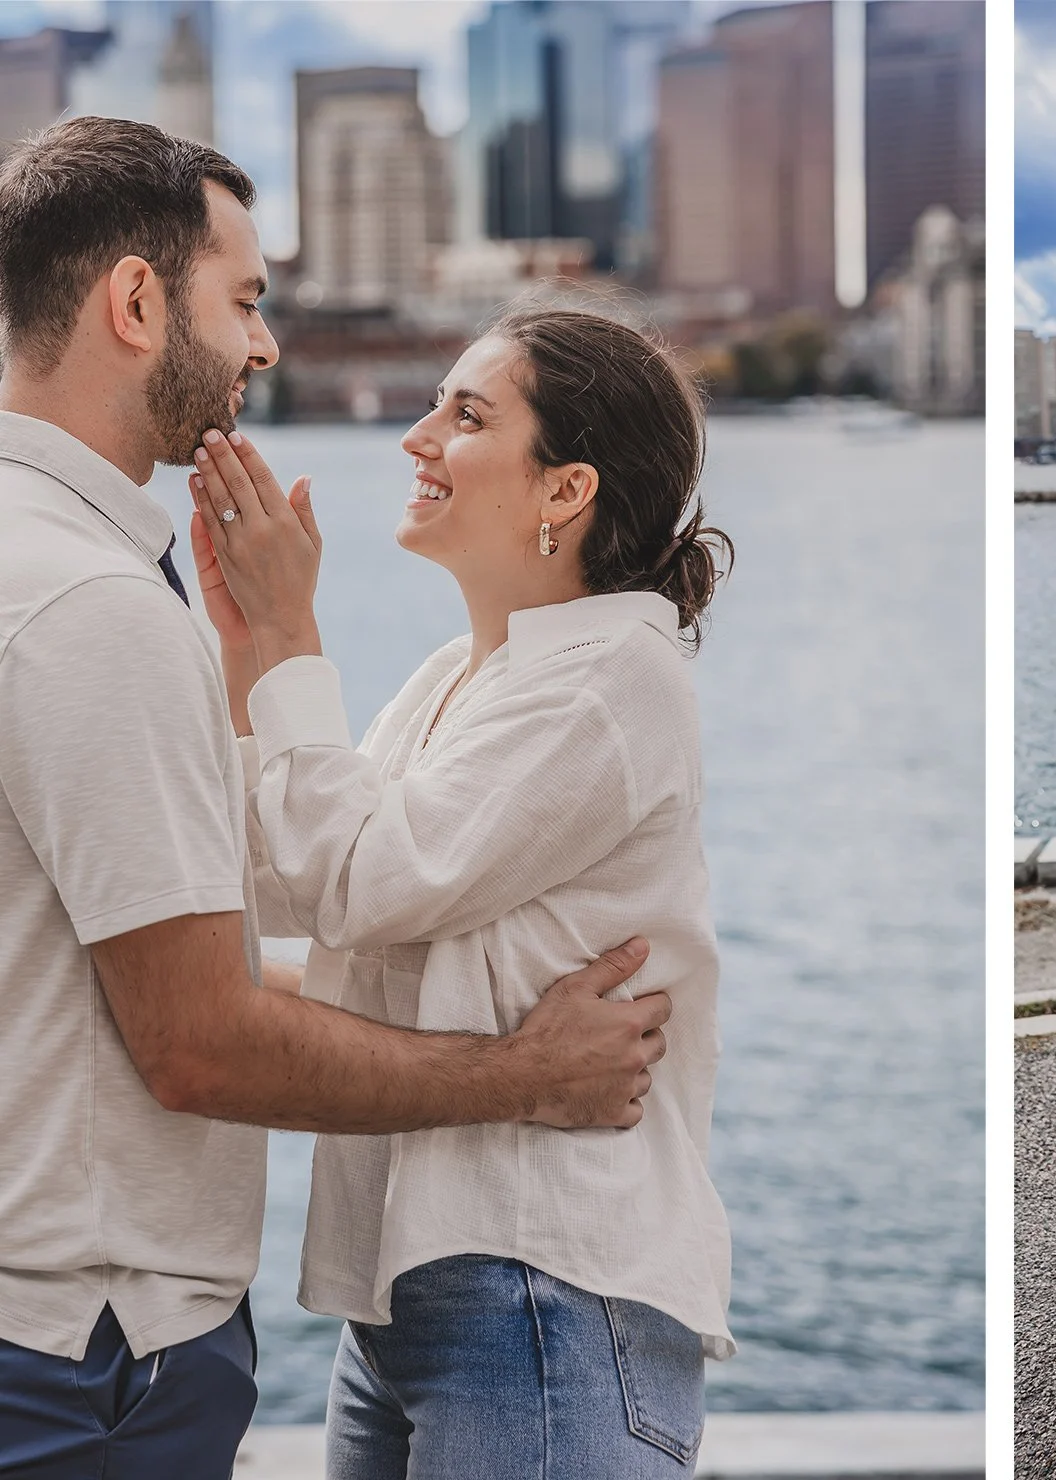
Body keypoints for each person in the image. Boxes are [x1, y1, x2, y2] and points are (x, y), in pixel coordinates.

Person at [0, 118, 666, 1480]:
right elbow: (200, 1040)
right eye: (244, 300)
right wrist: (523, 1075)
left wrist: (254, 668)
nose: (265, 348)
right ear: (136, 302)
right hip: (87, 1359)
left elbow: (189, 935)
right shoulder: (94, 607)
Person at [189, 305, 734, 1476]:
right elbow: (287, 881)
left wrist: (290, 633)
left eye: (467, 413)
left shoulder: (608, 678)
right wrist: (250, 655)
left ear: (564, 489)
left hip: (544, 1288)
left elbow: (361, 879)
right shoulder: (466, 675)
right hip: (427, 1291)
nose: (416, 436)